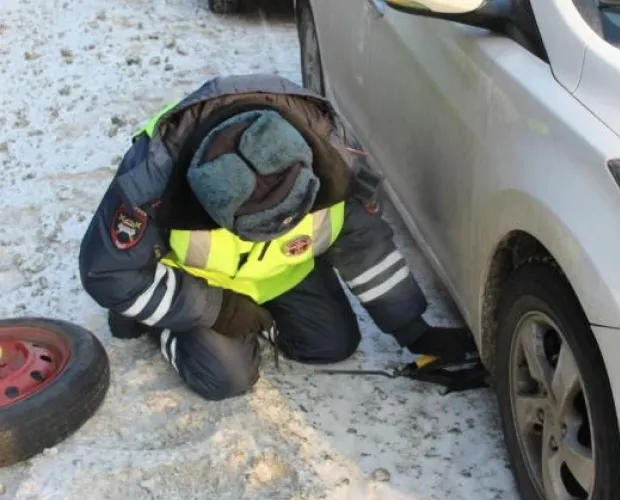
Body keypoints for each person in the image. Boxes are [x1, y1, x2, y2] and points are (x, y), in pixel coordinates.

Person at [78, 74, 479, 401]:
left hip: (287, 269)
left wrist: (413, 329)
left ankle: (261, 317)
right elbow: (107, 271)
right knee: (226, 380)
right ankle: (164, 326)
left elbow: (366, 247)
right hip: (199, 282)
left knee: (334, 344)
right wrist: (217, 309)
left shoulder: (334, 159)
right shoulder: (152, 178)